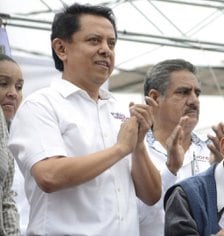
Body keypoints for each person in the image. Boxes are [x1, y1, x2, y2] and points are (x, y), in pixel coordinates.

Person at [7, 3, 161, 235]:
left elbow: (151, 196)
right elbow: (49, 175)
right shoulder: (41, 105)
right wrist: (120, 148)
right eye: (93, 40)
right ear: (61, 49)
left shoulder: (119, 108)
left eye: (111, 43)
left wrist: (137, 146)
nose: (106, 50)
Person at [138, 58, 212, 235]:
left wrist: (222, 173)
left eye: (197, 93)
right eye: (183, 92)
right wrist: (169, 171)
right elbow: (133, 214)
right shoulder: (135, 150)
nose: (194, 101)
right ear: (155, 98)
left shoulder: (212, 151)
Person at [0, 54, 21, 235]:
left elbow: (5, 196)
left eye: (19, 87)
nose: (13, 93)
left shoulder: (8, 134)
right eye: (3, 84)